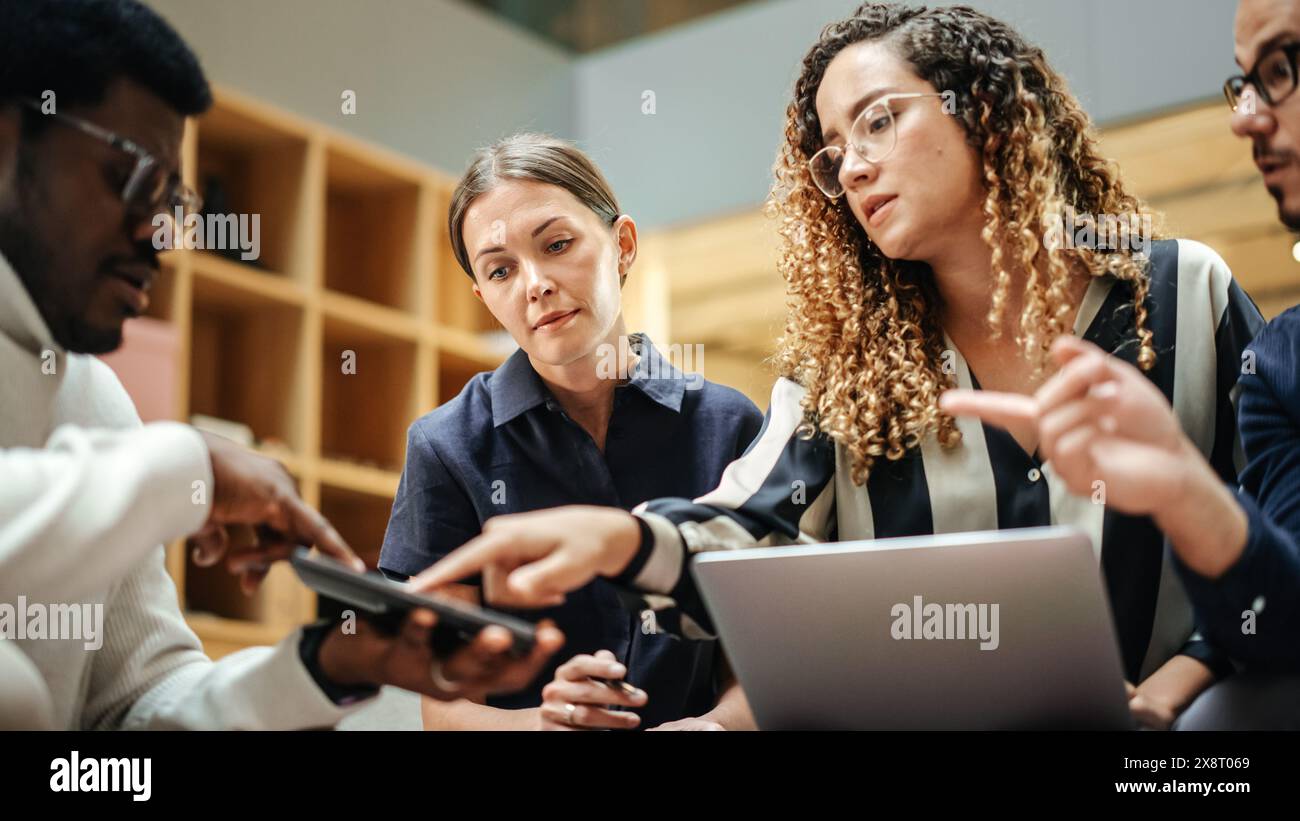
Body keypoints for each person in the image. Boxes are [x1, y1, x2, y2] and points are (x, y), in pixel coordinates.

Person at [412, 2, 1266, 730]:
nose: (852, 165)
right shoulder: (841, 371)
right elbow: (746, 533)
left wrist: (1168, 695)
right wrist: (625, 539)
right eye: (832, 149)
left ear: (988, 111)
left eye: (879, 120)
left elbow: (1271, 542)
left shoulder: (1185, 294)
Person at [0, 0, 560, 730]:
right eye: (132, 179)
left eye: (172, 197)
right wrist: (186, 462)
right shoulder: (152, 459)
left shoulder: (95, 399)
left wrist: (325, 668)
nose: (158, 232)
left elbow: (130, 724)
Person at [941, 0, 1300, 730]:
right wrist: (1186, 490)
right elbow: (1284, 633)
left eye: (1284, 68)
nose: (1247, 117)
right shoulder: (1281, 368)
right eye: (1247, 82)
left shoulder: (1190, 289)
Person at [379, 134, 764, 730]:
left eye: (557, 245)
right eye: (501, 270)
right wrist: (543, 725)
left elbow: (759, 670)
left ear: (623, 244)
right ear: (486, 298)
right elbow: (445, 706)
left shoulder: (730, 425)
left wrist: (709, 727)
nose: (534, 284)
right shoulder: (446, 446)